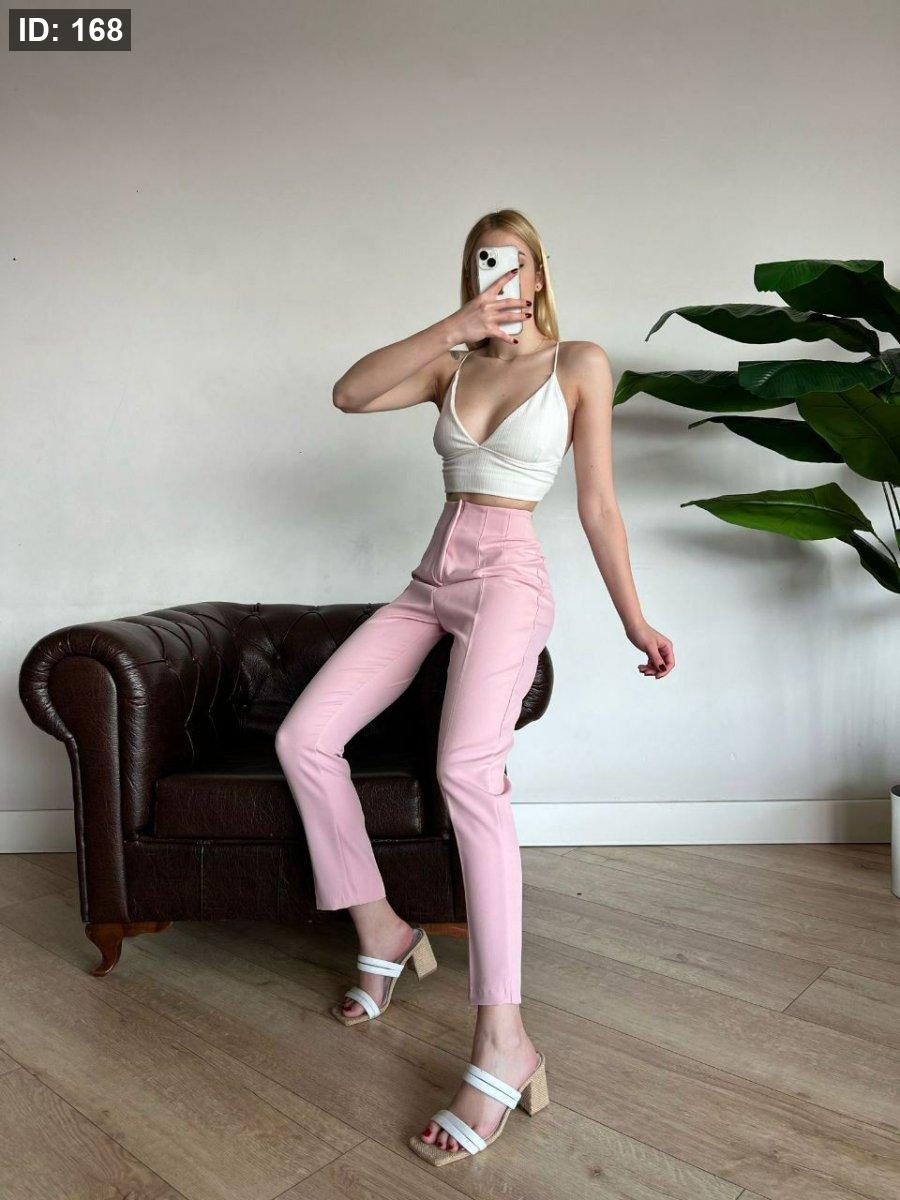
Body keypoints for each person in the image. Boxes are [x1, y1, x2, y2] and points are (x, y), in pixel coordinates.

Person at [275, 208, 675, 1167]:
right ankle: (382, 928)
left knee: (467, 773)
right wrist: (455, 327)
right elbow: (347, 393)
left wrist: (634, 618)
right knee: (304, 738)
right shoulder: (450, 367)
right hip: (432, 578)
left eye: (517, 262)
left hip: (508, 580)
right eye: (486, 264)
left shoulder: (579, 363)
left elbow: (598, 504)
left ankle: (504, 1039)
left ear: (539, 274)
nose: (504, 276)